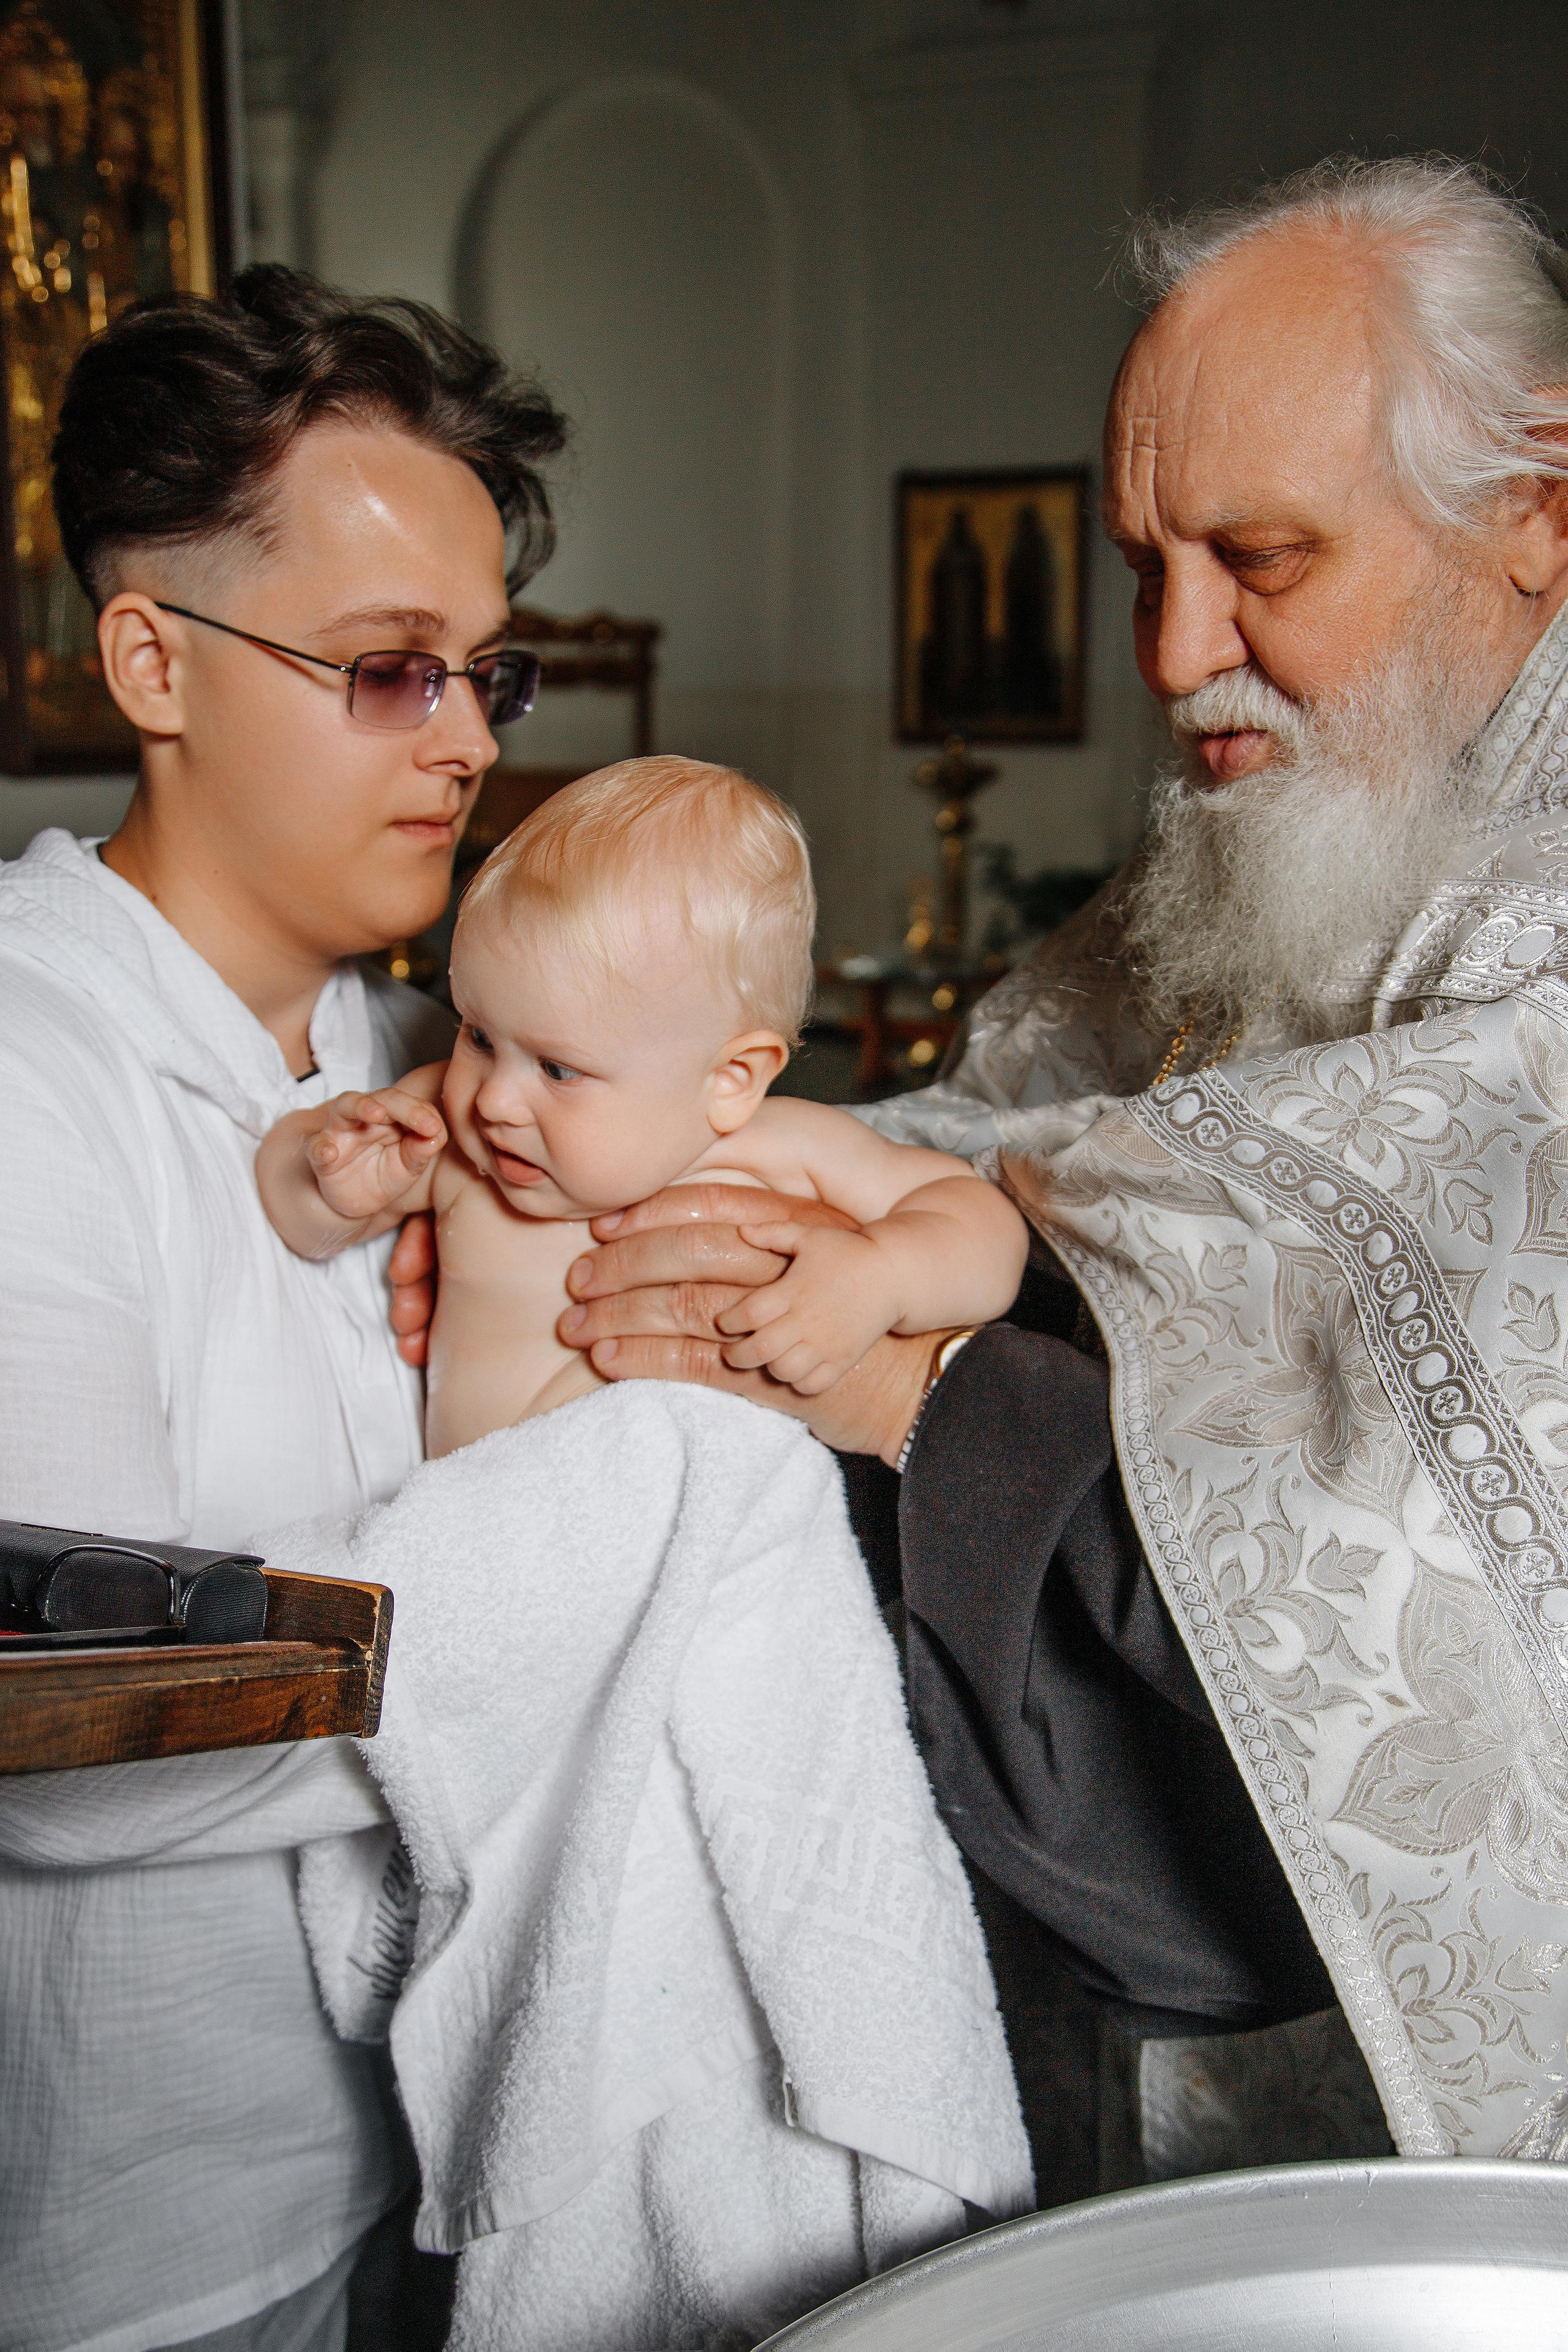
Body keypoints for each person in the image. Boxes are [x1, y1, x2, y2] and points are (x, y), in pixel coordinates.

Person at [517, 157, 1568, 2180]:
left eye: (1262, 557)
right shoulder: (1336, 813)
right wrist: (674, 1183)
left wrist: (904, 1386)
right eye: (1142, 565)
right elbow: (1031, 1138)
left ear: (1531, 510)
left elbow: (1454, 1611)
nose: (1178, 657)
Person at [0, 266, 567, 2352]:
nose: (475, 741)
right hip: (127, 2238)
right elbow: (83, 1742)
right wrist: (590, 1590)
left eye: (489, 673)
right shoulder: (22, 1064)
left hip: (432, 2146)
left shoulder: (443, 1039)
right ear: (150, 657)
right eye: (390, 671)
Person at [258, 756, 1028, 1450]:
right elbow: (298, 1219)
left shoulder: (777, 1149)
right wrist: (332, 1180)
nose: (495, 1099)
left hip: (695, 1548)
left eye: (558, 1069)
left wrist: (883, 1275)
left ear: (729, 1080)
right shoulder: (447, 1137)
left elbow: (984, 1227)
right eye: (478, 1035)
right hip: (493, 1543)